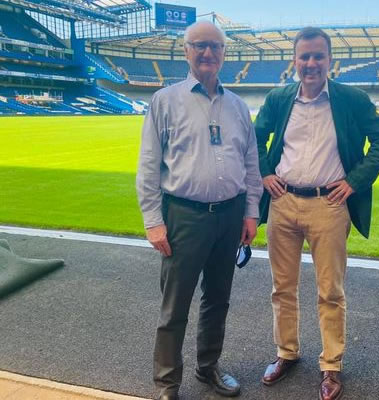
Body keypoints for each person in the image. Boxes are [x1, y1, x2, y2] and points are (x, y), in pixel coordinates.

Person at [254, 26, 379, 400]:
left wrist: (356, 181)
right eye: (304, 56)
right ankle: (286, 353)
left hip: (330, 206)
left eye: (318, 56)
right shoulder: (279, 98)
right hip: (283, 204)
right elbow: (256, 137)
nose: (311, 63)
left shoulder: (351, 99)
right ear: (295, 61)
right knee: (282, 288)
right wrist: (266, 171)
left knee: (330, 291)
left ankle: (331, 366)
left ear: (331, 60)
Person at [136, 21, 263, 400]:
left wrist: (251, 212)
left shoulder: (239, 106)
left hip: (230, 215)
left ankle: (208, 368)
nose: (208, 53)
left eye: (215, 47)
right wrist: (154, 222)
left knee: (217, 298)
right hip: (184, 217)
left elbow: (252, 163)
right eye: (200, 46)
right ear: (186, 50)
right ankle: (166, 384)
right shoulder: (165, 100)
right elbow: (148, 165)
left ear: (224, 53)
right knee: (175, 306)